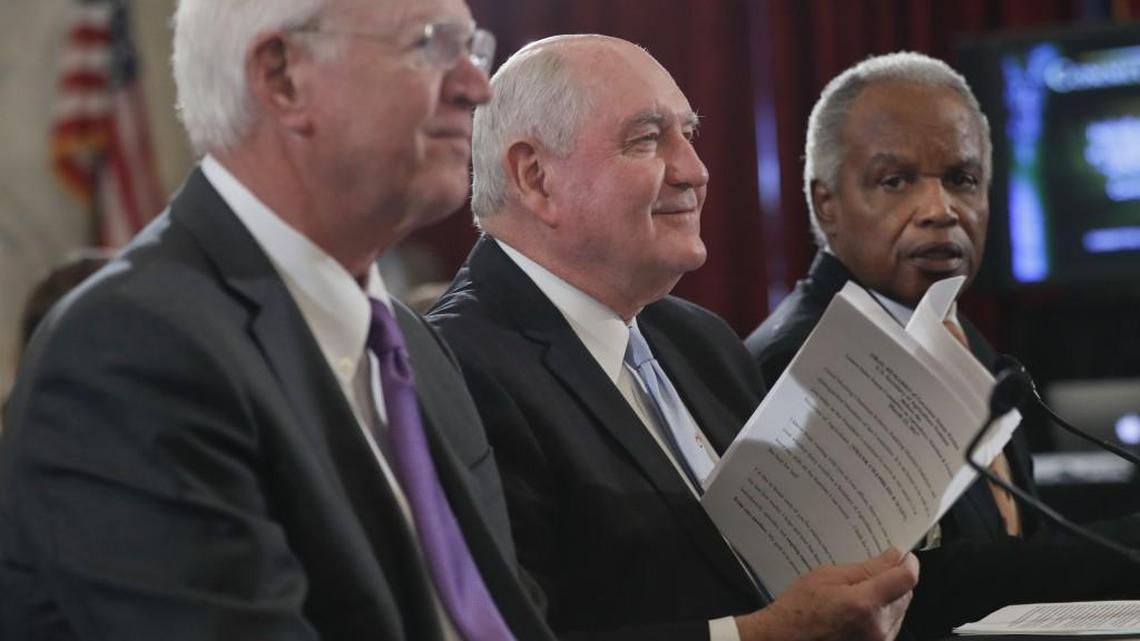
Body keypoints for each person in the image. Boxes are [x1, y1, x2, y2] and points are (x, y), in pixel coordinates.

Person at [0, 0, 555, 639]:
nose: (476, 86)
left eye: (472, 48)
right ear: (282, 75)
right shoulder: (133, 352)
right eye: (431, 45)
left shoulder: (418, 352)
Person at [428, 34, 918, 641]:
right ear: (535, 177)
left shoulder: (700, 340)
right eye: (647, 139)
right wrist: (763, 637)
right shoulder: (456, 369)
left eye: (689, 134)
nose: (695, 170)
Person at [745, 51, 1140, 639]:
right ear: (826, 203)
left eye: (962, 179)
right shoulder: (803, 359)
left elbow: (1012, 549)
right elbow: (913, 587)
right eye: (895, 181)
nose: (939, 211)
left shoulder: (958, 334)